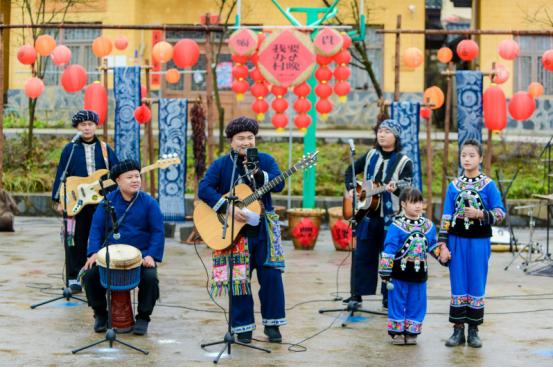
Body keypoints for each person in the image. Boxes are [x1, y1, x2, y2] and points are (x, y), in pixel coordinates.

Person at [198, 116, 286, 344]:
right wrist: (226, 207)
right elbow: (204, 188)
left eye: (250, 137)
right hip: (236, 233)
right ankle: (242, 326)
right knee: (239, 280)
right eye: (241, 138)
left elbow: (279, 182)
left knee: (271, 277)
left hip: (263, 229)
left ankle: (273, 325)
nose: (246, 142)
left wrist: (259, 174)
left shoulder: (265, 160)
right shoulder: (221, 164)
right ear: (231, 141)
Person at [82, 159, 165, 335]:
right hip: (110, 257)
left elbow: (158, 232)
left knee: (150, 278)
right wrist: (94, 253)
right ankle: (100, 315)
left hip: (140, 257)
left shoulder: (149, 203)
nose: (135, 180)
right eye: (130, 177)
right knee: (89, 275)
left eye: (137, 176)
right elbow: (96, 229)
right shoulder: (107, 202)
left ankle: (143, 317)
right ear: (118, 181)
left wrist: (151, 255)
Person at [438, 139, 505, 348]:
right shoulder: (454, 186)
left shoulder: (488, 185)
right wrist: (442, 245)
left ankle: (474, 330)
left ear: (481, 158)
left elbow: (500, 213)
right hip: (456, 241)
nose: (467, 159)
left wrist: (480, 214)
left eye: (472, 155)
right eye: (464, 155)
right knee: (458, 283)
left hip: (479, 241)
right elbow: (447, 215)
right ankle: (457, 330)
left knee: (476, 282)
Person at [343, 119, 413, 308]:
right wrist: (351, 188)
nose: (381, 134)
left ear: (396, 136)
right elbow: (350, 170)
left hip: (391, 219)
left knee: (389, 257)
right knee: (362, 255)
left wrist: (395, 190)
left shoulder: (404, 162)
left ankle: (387, 296)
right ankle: (356, 295)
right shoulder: (370, 155)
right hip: (366, 214)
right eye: (380, 131)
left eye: (387, 131)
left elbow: (407, 189)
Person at [51, 110, 118, 293]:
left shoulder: (105, 149)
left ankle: (101, 275)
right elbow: (61, 175)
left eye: (90, 124)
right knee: (72, 239)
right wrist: (59, 199)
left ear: (96, 126)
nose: (87, 128)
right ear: (77, 127)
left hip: (99, 202)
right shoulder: (70, 149)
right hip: (74, 203)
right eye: (83, 125)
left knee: (102, 236)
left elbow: (116, 173)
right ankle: (74, 279)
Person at [379, 187, 450, 345]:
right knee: (397, 302)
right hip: (399, 275)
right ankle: (397, 333)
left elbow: (431, 246)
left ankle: (412, 332)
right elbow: (389, 249)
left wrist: (442, 256)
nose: (418, 206)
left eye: (420, 202)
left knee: (417, 303)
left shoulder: (429, 226)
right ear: (403, 204)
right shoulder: (396, 226)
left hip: (419, 275)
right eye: (413, 202)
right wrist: (385, 272)